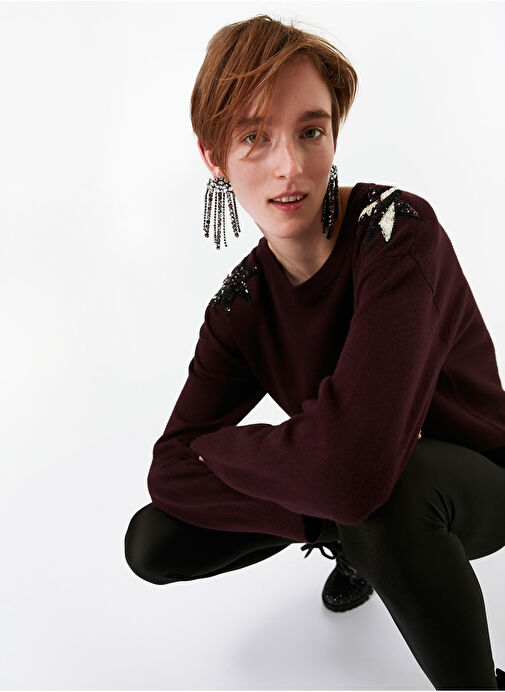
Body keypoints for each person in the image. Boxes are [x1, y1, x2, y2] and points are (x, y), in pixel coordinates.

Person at [124, 14, 505, 690]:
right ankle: (344, 527)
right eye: (253, 137)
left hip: (474, 480)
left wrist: (245, 454)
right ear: (214, 158)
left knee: (378, 500)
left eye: (310, 131)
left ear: (333, 133)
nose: (290, 167)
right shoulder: (240, 306)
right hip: (352, 481)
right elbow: (170, 470)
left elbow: (355, 475)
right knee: (154, 539)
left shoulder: (397, 233)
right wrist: (324, 480)